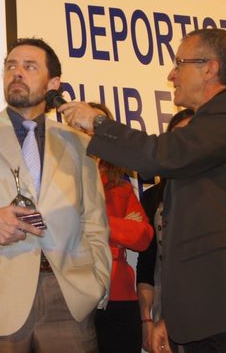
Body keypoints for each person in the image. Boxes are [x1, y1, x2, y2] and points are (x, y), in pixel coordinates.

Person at [59, 28, 226, 352]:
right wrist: (169, 317)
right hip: (210, 313)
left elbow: (160, 155)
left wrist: (99, 124)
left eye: (179, 63)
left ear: (209, 68)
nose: (171, 74)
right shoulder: (208, 129)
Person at [0, 38, 110, 352]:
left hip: (69, 299)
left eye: (29, 67)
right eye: (10, 66)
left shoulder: (79, 143)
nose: (17, 73)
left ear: (53, 84)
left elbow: (94, 221)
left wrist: (97, 284)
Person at [88, 102, 153, 353]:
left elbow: (143, 237)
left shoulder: (121, 185)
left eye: (100, 127)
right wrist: (121, 227)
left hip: (120, 296)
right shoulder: (61, 182)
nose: (92, 133)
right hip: (76, 293)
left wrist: (97, 223)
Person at [135, 108, 194, 353]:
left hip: (207, 308)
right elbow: (147, 263)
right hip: (162, 306)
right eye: (176, 136)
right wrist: (146, 320)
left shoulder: (216, 192)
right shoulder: (153, 196)